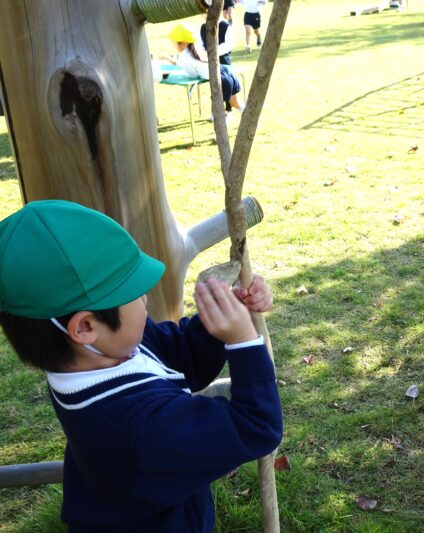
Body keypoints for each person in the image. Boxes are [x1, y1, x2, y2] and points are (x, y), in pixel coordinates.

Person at [0, 200, 282, 532]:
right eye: (133, 292)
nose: (145, 297)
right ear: (85, 327)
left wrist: (224, 317)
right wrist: (243, 340)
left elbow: (182, 356)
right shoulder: (140, 429)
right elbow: (255, 427)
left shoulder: (97, 353)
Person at [168, 24, 244, 119]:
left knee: (223, 109)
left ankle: (223, 117)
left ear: (183, 44)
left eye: (174, 43)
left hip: (221, 78)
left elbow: (192, 75)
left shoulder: (184, 57)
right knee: (236, 104)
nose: (173, 45)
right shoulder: (196, 50)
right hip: (226, 71)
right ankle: (249, 116)